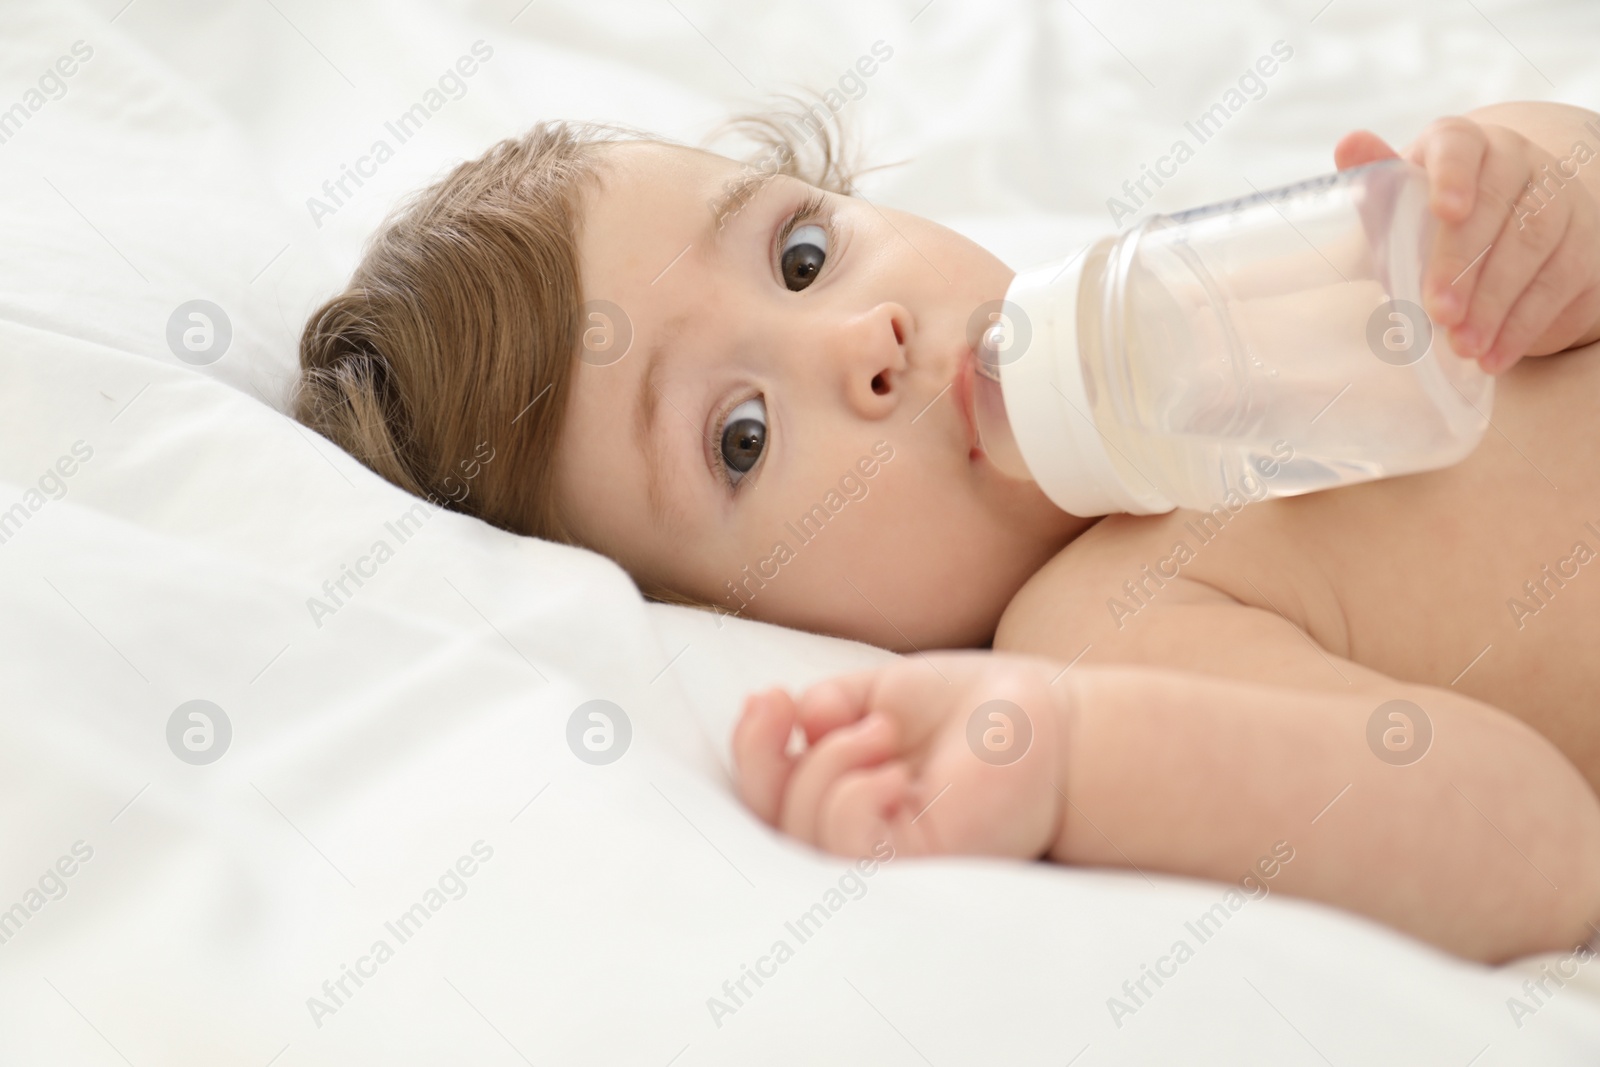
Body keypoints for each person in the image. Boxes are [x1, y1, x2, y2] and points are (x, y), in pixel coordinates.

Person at [293, 98, 1600, 964]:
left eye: (803, 255)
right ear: (736, 617)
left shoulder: (1227, 276)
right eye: (741, 435)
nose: (863, 342)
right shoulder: (1107, 624)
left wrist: (1540, 207)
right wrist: (1068, 762)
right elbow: (1541, 846)